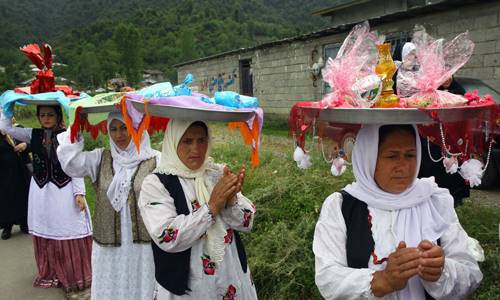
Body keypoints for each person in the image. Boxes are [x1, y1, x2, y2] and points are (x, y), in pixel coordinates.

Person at [313, 124, 482, 299]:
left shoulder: (434, 200)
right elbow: (327, 278)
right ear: (368, 159)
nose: (404, 166)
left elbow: (470, 274)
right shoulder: (341, 206)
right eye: (392, 156)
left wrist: (441, 270)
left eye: (410, 155)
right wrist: (383, 280)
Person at [138, 119, 257, 299]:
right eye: (187, 141)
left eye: (201, 140)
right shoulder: (156, 184)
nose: (196, 149)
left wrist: (231, 201)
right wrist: (212, 208)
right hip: (190, 287)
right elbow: (167, 236)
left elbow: (246, 223)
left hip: (229, 275)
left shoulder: (216, 173)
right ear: (173, 141)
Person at [56, 112, 160, 300]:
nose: (119, 135)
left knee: (143, 285)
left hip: (144, 246)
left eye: (125, 128)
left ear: (136, 128)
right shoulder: (100, 159)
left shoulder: (156, 160)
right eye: (113, 129)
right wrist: (76, 127)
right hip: (109, 246)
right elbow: (70, 164)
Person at [0, 105, 92, 292]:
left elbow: (76, 165)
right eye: (42, 115)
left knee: (67, 229)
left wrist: (79, 193)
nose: (46, 118)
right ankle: (51, 271)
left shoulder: (69, 135)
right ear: (38, 117)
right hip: (41, 191)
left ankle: (73, 274)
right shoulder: (32, 134)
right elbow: (7, 129)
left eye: (50, 114)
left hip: (64, 190)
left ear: (58, 116)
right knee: (47, 230)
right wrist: (7, 109)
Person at [0, 126, 30, 239]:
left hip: (21, 169)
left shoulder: (18, 128)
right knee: (7, 198)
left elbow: (31, 142)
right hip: (4, 172)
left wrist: (25, 145)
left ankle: (24, 223)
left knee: (23, 195)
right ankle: (7, 226)